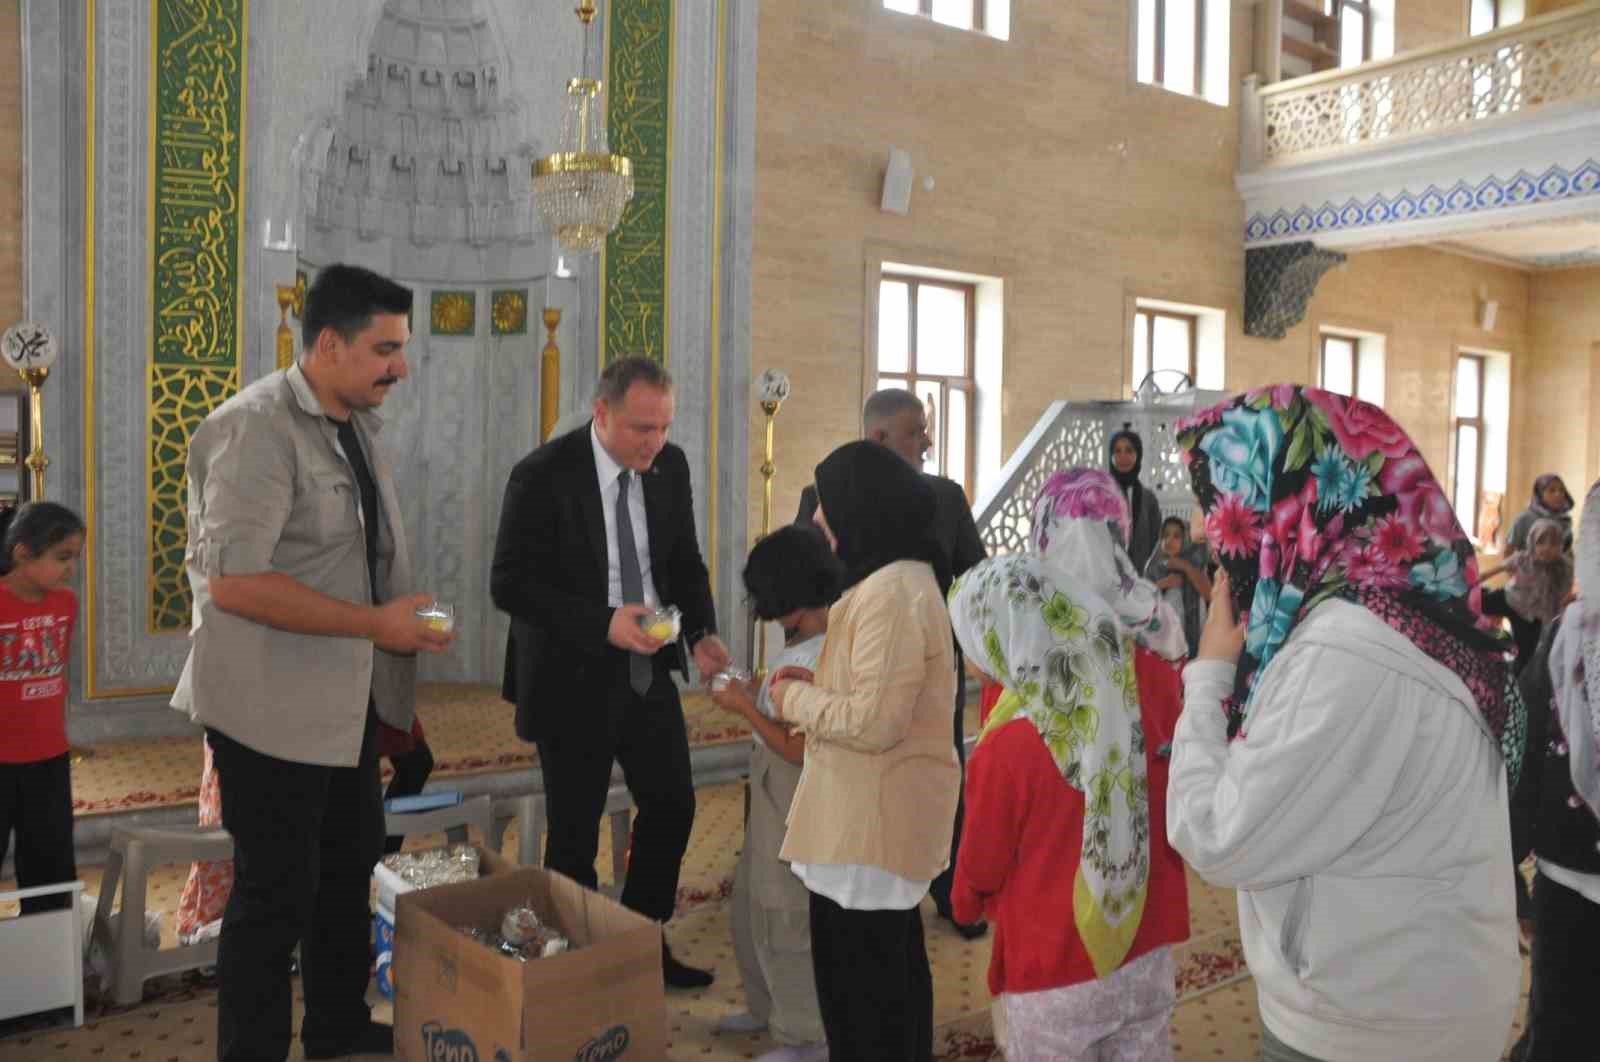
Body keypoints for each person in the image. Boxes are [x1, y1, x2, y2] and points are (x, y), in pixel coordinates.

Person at [1167, 385, 1523, 1062]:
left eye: (1231, 520)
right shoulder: (1403, 603)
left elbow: (1219, 836)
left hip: (1373, 1020)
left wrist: (1210, 673)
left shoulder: (1345, 652)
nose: (1223, 552)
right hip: (1413, 991)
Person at [171, 264, 454, 1062]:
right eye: (385, 348)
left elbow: (348, 557)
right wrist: (374, 622)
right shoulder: (255, 428)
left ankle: (334, 1028)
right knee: (274, 900)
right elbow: (234, 583)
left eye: (402, 348)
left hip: (345, 708)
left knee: (344, 878)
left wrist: (407, 621)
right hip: (268, 713)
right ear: (328, 343)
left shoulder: (355, 425)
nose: (399, 366)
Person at [490, 355, 732, 990]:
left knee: (674, 804)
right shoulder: (542, 476)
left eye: (663, 428)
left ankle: (640, 943)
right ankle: (569, 967)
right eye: (640, 429)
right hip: (571, 676)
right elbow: (509, 584)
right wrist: (602, 621)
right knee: (574, 832)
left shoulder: (668, 468)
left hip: (647, 669)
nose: (655, 443)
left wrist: (702, 632)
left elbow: (682, 558)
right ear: (602, 414)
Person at [947, 488, 1190, 1060]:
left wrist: (962, 904)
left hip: (1054, 961)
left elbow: (982, 863)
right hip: (1146, 943)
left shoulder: (1007, 743)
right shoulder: (1129, 682)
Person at [769, 440, 961, 1062]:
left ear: (863, 508)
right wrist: (818, 686)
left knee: (865, 1003)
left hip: (871, 828)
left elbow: (876, 723)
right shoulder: (889, 582)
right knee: (886, 989)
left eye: (827, 507)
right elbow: (872, 696)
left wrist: (790, 702)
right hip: (868, 820)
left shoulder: (892, 594)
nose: (819, 521)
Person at [795, 387, 988, 939]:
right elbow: (806, 580)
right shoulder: (823, 494)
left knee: (931, 770)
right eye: (915, 430)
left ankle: (946, 882)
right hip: (846, 665)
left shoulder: (945, 498)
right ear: (879, 438)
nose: (927, 439)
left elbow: (971, 582)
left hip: (923, 671)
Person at [709, 525, 837, 1062]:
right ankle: (765, 1006)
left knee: (784, 913)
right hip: (770, 794)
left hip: (793, 795)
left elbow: (797, 747)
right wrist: (743, 688)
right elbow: (778, 701)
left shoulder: (825, 650)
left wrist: (742, 708)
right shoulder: (808, 639)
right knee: (750, 904)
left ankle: (803, 1037)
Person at [1507, 479, 1600, 1062]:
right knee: (1559, 1032)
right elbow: (1525, 756)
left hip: (1565, 876)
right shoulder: (1568, 641)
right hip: (1567, 881)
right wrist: (1507, 872)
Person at [0, 502, 85, 916]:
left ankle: (48, 963)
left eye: (75, 559)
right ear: (22, 553)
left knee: (50, 868)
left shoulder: (66, 604)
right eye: (62, 557)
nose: (70, 569)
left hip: (48, 759)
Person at [1478, 518, 1573, 676]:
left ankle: (1514, 685)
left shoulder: (1563, 568)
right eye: (1541, 542)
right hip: (1510, 599)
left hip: (1532, 616)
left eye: (1554, 544)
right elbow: (1493, 571)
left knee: (1525, 656)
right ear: (1532, 542)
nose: (1547, 548)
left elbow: (1563, 597)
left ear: (1561, 546)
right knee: (1473, 602)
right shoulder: (1522, 558)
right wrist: (1472, 580)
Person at [1144, 514, 1213, 658]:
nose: (1169, 540)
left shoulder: (1195, 566)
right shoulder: (1153, 567)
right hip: (1162, 643)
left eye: (1176, 536)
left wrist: (1185, 567)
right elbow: (1140, 600)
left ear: (1186, 540)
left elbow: (1208, 595)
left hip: (1193, 638)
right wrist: (1163, 584)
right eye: (1165, 535)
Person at [1108, 427, 1163, 574]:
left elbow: (1156, 541)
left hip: (1140, 577)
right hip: (1108, 575)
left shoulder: (1148, 498)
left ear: (1138, 455)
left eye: (1129, 450)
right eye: (1117, 451)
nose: (1123, 457)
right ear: (1110, 456)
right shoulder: (1102, 494)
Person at [1505, 474, 1574, 555]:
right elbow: (1508, 550)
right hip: (1527, 566)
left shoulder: (1565, 520)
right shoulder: (1525, 518)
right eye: (1552, 491)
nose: (1558, 494)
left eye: (1562, 490)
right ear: (1540, 494)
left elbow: (1567, 552)